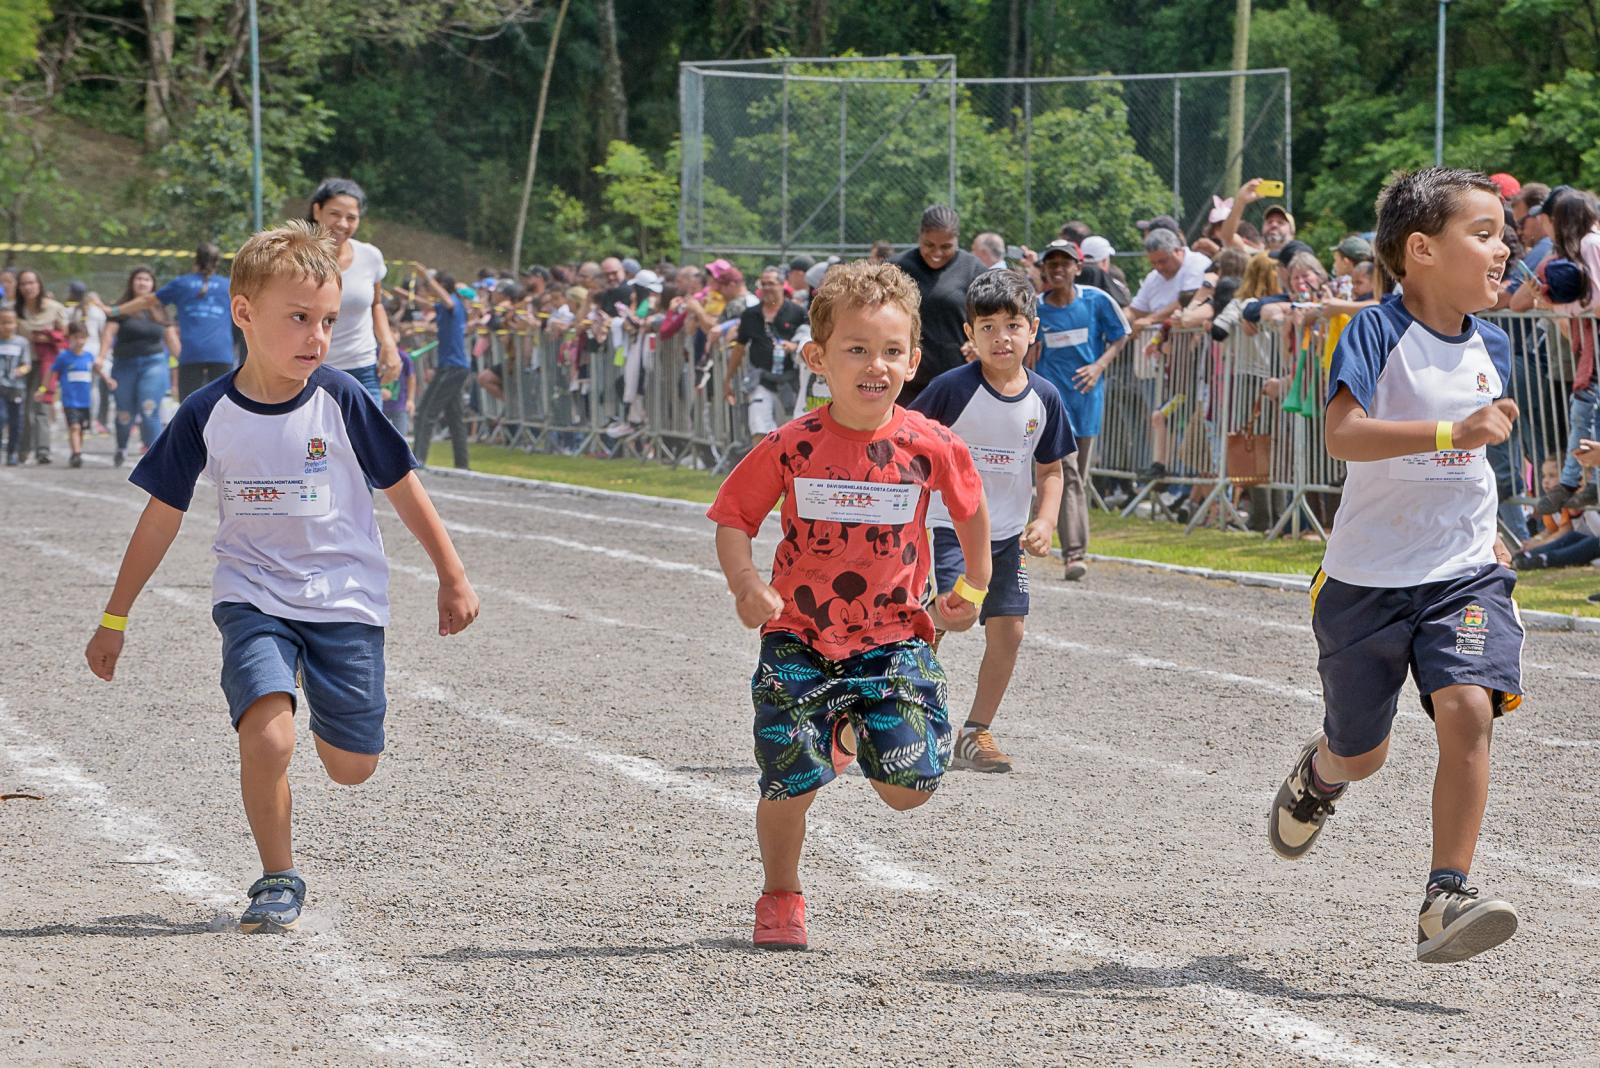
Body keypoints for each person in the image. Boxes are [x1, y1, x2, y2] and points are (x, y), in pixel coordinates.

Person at [83, 220, 479, 933]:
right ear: (244, 312)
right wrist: (115, 615)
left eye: (327, 321)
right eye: (298, 318)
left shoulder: (342, 398)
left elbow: (403, 486)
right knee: (268, 739)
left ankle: (330, 701)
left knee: (352, 766)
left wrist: (452, 574)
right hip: (253, 594)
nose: (316, 337)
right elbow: (161, 516)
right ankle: (276, 875)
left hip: (344, 598)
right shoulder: (206, 413)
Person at [1268, 166, 1523, 964]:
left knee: (1468, 710)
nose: (1502, 247)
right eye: (1482, 233)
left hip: (1462, 571)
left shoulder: (1497, 342)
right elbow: (1343, 435)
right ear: (1420, 250)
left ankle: (1444, 896)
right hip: (1367, 581)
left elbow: (1488, 452)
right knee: (1363, 754)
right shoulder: (1375, 332)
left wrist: (1497, 528)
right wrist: (1454, 435)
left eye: (1504, 233)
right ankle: (1322, 773)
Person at [706, 260, 991, 951]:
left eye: (892, 351)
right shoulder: (790, 445)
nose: (876, 365)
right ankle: (780, 894)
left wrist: (973, 587)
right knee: (788, 782)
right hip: (800, 640)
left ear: (914, 360)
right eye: (857, 350)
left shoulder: (930, 445)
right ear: (817, 359)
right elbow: (733, 520)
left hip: (893, 641)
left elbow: (972, 510)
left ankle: (851, 733)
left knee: (911, 787)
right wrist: (747, 585)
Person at [910, 269, 1073, 772]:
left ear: (1032, 329)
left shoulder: (1043, 397)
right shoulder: (950, 389)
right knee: (951, 615)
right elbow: (908, 444)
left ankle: (974, 733)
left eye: (1012, 325)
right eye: (987, 328)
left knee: (1010, 632)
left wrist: (1045, 521)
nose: (1001, 338)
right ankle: (905, 715)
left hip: (1005, 538)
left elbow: (1051, 470)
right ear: (969, 335)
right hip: (947, 527)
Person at [1030, 240, 1130, 579]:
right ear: (1043, 268)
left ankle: (1034, 536)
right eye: (1051, 263)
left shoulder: (1097, 301)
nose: (1058, 269)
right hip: (1050, 407)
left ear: (1078, 266)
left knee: (1075, 479)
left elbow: (1121, 335)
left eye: (1065, 263)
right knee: (1067, 474)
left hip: (1087, 403)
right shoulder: (1035, 308)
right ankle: (1074, 554)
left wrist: (1099, 366)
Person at [307, 178, 401, 404]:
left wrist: (388, 344)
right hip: (310, 369)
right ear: (317, 211)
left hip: (363, 370)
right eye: (335, 214)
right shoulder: (297, 258)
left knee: (370, 439)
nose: (342, 224)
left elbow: (376, 304)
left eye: (351, 218)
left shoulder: (370, 256)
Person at [894, 205, 985, 405]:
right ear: (919, 237)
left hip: (957, 382)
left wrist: (980, 342)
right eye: (929, 245)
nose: (936, 253)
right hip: (908, 383)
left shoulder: (973, 269)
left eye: (946, 247)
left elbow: (992, 315)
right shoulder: (897, 268)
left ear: (957, 240)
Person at [101, 265, 180, 467]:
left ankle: (154, 457)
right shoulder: (120, 309)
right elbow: (109, 334)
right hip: (124, 365)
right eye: (138, 279)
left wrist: (185, 362)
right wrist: (101, 357)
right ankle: (121, 447)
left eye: (146, 279)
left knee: (148, 408)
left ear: (153, 284)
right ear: (131, 283)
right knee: (124, 412)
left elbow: (172, 342)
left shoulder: (160, 310)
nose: (142, 282)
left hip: (153, 364)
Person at [725, 267, 807, 442]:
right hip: (760, 379)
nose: (767, 288)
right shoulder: (750, 314)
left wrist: (794, 345)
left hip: (790, 380)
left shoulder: (797, 312)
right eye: (763, 284)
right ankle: (763, 466)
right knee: (759, 427)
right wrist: (728, 378)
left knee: (791, 431)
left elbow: (808, 338)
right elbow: (740, 347)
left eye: (771, 283)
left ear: (782, 284)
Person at [149, 242, 237, 400]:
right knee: (223, 405)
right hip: (221, 353)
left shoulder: (182, 283)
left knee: (188, 405)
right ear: (217, 263)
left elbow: (153, 302)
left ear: (195, 261)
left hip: (191, 353)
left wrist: (165, 321)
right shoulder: (228, 286)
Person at [409, 262, 472, 469]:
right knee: (455, 418)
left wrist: (427, 276)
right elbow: (427, 305)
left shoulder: (453, 302)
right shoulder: (445, 307)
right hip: (454, 366)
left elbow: (445, 299)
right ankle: (462, 465)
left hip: (452, 367)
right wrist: (404, 295)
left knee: (426, 412)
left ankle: (418, 459)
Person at [14, 268, 69, 464]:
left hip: (46, 365)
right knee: (23, 407)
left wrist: (49, 337)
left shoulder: (54, 308)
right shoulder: (14, 311)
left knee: (41, 406)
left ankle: (43, 450)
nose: (28, 287)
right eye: (23, 284)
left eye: (31, 282)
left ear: (39, 285)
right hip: (20, 364)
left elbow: (66, 336)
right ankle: (21, 449)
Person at [47, 320, 99, 467]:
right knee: (74, 427)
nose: (79, 341)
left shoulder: (89, 356)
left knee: (81, 429)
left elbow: (97, 370)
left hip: (86, 401)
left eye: (82, 337)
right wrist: (45, 389)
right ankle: (76, 454)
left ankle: (77, 450)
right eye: (76, 337)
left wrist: (108, 380)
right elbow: (51, 371)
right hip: (70, 401)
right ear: (69, 338)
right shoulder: (64, 357)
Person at [0, 308, 31, 465]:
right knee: (2, 416)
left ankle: (12, 452)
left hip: (16, 387)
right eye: (3, 322)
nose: (7, 326)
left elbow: (27, 364)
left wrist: (21, 370)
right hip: (1, 386)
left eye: (10, 322)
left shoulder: (21, 342)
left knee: (16, 421)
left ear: (16, 324)